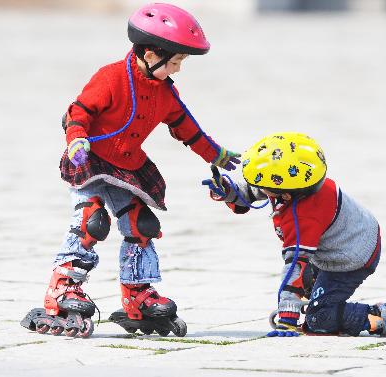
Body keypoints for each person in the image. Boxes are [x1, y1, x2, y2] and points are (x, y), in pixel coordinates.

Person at [21, 3, 240, 338]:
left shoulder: (165, 91)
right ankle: (63, 288)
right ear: (152, 54)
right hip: (90, 161)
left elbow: (187, 128)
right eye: (177, 61)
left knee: (142, 225)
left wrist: (217, 155)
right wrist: (76, 140)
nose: (179, 69)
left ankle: (138, 294)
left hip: (128, 166)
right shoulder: (111, 77)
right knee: (91, 222)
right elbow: (79, 111)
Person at [202, 132, 386, 338]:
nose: (259, 190)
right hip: (342, 241)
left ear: (286, 194)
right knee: (313, 293)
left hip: (348, 260)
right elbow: (253, 193)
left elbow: (295, 266)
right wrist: (228, 190)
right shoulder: (301, 184)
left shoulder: (303, 217)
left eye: (267, 189)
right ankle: (322, 297)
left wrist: (288, 315)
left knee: (319, 319)